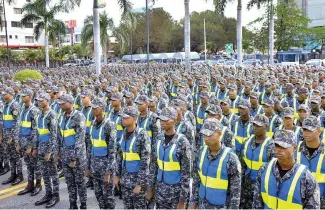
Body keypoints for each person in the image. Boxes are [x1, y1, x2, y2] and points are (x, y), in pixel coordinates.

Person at [253, 129, 320, 209]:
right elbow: (257, 203)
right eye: (277, 145)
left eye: (284, 146)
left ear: (294, 148)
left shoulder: (306, 178)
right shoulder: (264, 169)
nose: (279, 150)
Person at [190, 118, 241, 209]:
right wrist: (193, 203)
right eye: (205, 134)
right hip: (202, 205)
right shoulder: (201, 153)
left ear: (220, 133)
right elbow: (196, 181)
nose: (206, 138)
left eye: (210, 134)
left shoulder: (231, 158)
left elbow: (235, 191)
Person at [148, 107, 191, 209]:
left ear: (174, 121)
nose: (163, 122)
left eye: (166, 120)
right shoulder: (158, 138)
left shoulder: (182, 142)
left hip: (175, 193)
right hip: (160, 190)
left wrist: (183, 200)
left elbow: (186, 173)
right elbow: (154, 165)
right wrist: (150, 187)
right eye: (161, 120)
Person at [115, 106, 151, 209]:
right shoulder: (124, 134)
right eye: (122, 117)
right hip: (125, 180)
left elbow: (145, 162)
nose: (123, 120)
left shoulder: (142, 135)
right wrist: (117, 175)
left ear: (135, 118)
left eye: (126, 118)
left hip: (137, 181)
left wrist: (139, 184)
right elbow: (120, 156)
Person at [85, 97, 117, 209]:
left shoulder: (109, 125)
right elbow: (90, 146)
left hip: (105, 168)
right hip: (95, 166)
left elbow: (113, 151)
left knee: (108, 196)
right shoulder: (93, 123)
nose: (93, 110)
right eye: (92, 108)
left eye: (95, 108)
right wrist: (88, 166)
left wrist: (108, 172)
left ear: (102, 108)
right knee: (98, 194)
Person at [57, 94, 87, 209]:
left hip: (76, 158)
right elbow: (61, 136)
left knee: (80, 183)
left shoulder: (79, 116)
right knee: (70, 183)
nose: (60, 105)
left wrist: (74, 158)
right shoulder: (62, 116)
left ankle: (83, 205)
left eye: (63, 103)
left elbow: (80, 139)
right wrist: (58, 152)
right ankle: (73, 205)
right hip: (65, 156)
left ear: (70, 103)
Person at [240, 114, 275, 209]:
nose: (255, 128)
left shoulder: (271, 146)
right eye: (254, 125)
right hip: (246, 186)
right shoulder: (247, 142)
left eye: (259, 126)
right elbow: (242, 165)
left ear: (266, 127)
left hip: (261, 188)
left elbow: (273, 172)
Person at [34, 92, 60, 208]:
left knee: (53, 173)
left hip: (50, 149)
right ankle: (48, 194)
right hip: (41, 147)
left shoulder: (52, 114)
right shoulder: (39, 114)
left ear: (47, 100)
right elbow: (38, 132)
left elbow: (54, 135)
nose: (39, 102)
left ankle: (55, 195)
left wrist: (50, 151)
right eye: (38, 100)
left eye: (41, 100)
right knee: (44, 172)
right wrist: (36, 147)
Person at [17, 88, 42, 196]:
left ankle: (38, 185)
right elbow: (20, 126)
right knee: (28, 165)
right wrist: (19, 143)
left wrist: (32, 146)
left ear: (29, 97)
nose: (22, 97)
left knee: (36, 165)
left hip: (31, 144)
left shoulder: (34, 110)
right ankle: (30, 184)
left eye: (24, 95)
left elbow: (35, 130)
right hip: (23, 142)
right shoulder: (23, 109)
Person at [297, 116, 325, 208]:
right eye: (304, 129)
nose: (306, 133)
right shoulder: (295, 149)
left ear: (319, 131)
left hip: (321, 202)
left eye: (310, 130)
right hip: (297, 201)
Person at [1, 87, 23, 185]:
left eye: (5, 93)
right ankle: (13, 174)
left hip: (12, 136)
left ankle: (19, 175)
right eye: (3, 94)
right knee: (10, 156)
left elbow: (16, 122)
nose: (3, 95)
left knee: (16, 156)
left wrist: (13, 137)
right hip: (6, 135)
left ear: (11, 94)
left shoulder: (15, 105)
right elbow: (3, 122)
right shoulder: (5, 105)